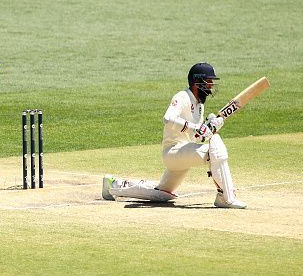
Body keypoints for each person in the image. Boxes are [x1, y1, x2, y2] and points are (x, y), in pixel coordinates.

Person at [102, 62, 247, 209]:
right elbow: (168, 118)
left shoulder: (199, 105)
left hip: (184, 154)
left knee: (163, 194)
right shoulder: (182, 97)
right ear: (198, 81)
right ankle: (226, 196)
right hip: (172, 152)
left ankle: (112, 184)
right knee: (216, 147)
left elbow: (196, 138)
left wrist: (209, 128)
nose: (211, 85)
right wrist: (195, 127)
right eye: (208, 81)